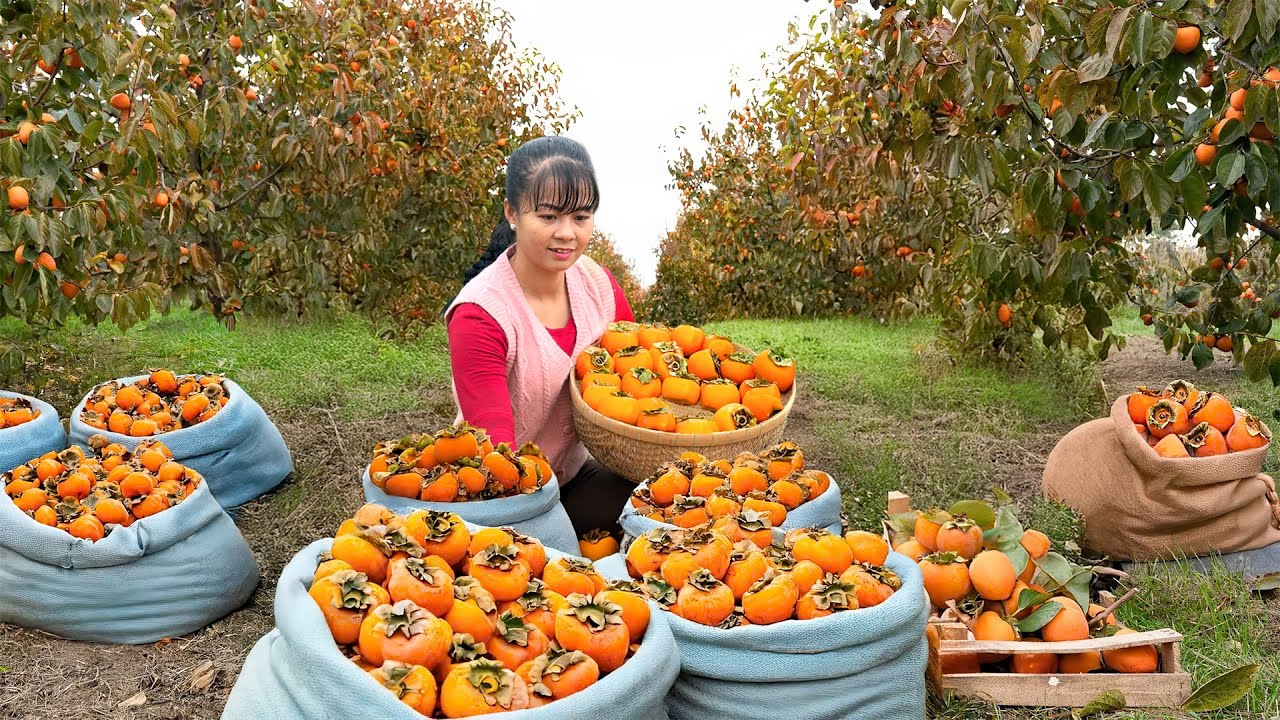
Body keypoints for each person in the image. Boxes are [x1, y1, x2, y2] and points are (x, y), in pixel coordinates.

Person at [446, 136, 637, 535]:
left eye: (581, 218)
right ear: (512, 213)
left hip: (568, 478)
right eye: (549, 217)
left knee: (667, 503)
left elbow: (635, 375)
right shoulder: (481, 314)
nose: (567, 233)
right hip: (494, 500)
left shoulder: (598, 287)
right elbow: (496, 455)